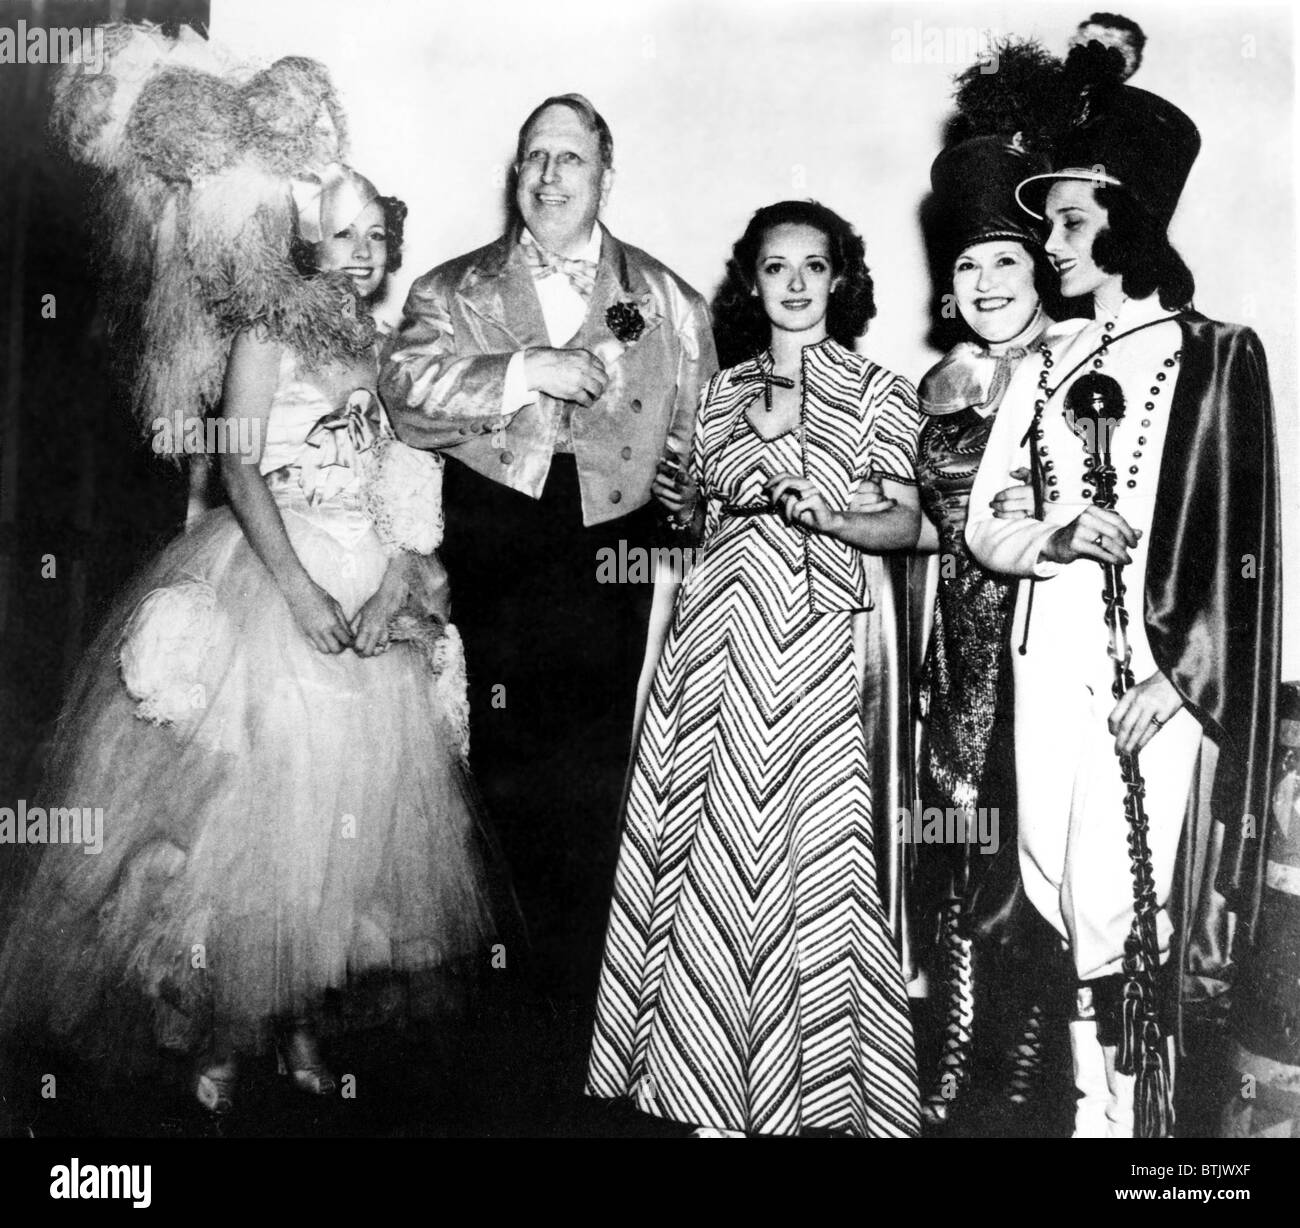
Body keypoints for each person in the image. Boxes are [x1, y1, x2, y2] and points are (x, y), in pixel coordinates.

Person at [0, 163, 499, 1117]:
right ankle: (226, 1023)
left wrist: (400, 575)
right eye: (341, 235)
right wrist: (300, 591)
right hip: (275, 579)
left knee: (351, 813)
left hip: (369, 583)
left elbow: (407, 472)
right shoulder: (265, 332)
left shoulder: (389, 346)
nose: (361, 255)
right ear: (307, 244)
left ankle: (301, 1013)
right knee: (258, 813)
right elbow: (238, 464)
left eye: (376, 237)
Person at [966, 77, 1280, 1137]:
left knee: (1122, 915)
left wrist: (1188, 684)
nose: (1047, 244)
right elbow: (987, 516)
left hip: (1150, 684)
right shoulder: (1043, 361)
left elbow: (1243, 554)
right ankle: (1088, 1124)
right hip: (1044, 666)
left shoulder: (1218, 352)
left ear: (1126, 224)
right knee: (1058, 905)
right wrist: (1049, 537)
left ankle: (1130, 1136)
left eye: (1066, 223)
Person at [587, 200, 923, 1137]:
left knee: (803, 858)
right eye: (778, 267)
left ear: (842, 279)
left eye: (817, 266)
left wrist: (831, 516)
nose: (798, 284)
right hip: (714, 640)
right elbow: (692, 513)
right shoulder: (722, 390)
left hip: (812, 642)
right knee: (708, 850)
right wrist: (677, 500)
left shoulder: (881, 391)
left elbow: (907, 523)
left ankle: (804, 1095)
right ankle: (703, 1092)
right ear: (754, 281)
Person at [380, 94, 717, 1003]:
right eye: (534, 157)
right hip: (499, 545)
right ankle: (503, 1014)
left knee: (603, 778)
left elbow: (704, 433)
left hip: (616, 555)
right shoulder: (451, 291)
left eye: (570, 158)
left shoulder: (669, 299)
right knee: (496, 772)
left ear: (607, 172)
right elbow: (402, 394)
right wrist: (524, 370)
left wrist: (691, 498)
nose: (550, 177)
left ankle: (590, 1010)